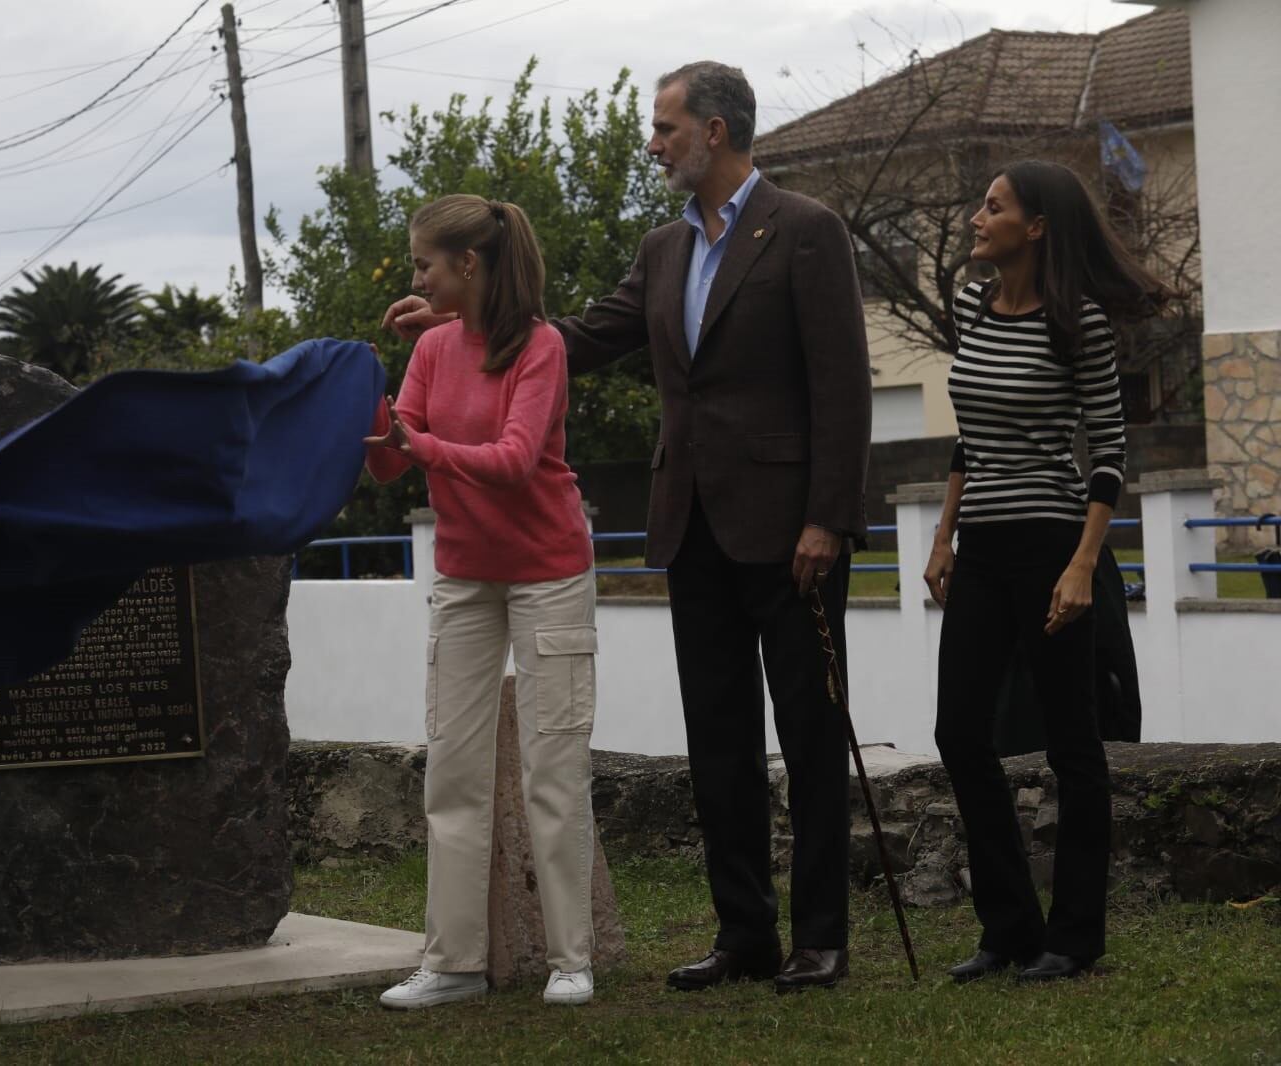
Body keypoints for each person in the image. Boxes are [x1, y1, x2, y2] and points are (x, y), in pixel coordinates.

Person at [385, 62, 872, 993]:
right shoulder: (663, 248)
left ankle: (821, 938)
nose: (653, 144)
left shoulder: (807, 229)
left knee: (810, 734)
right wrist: (462, 316)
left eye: (664, 127)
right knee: (718, 738)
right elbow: (576, 336)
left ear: (714, 131)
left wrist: (828, 518)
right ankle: (744, 936)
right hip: (689, 523)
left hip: (789, 530)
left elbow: (844, 384)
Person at [924, 159, 1172, 983]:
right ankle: (1010, 929)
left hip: (1055, 545)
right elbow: (970, 437)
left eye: (992, 207)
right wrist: (943, 538)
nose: (976, 217)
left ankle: (1074, 937)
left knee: (1072, 743)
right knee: (960, 732)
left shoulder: (1079, 323)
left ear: (1034, 228)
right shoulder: (972, 306)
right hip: (984, 550)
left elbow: (1109, 454)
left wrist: (1081, 566)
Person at [368, 194, 600, 1010]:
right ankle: (454, 964)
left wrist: (417, 443)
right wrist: (368, 396)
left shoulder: (541, 347)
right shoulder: (432, 347)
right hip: (465, 575)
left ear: (468, 265)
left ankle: (571, 960)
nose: (416, 279)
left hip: (549, 571)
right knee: (453, 770)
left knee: (553, 770)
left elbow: (513, 460)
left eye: (425, 264)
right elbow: (391, 463)